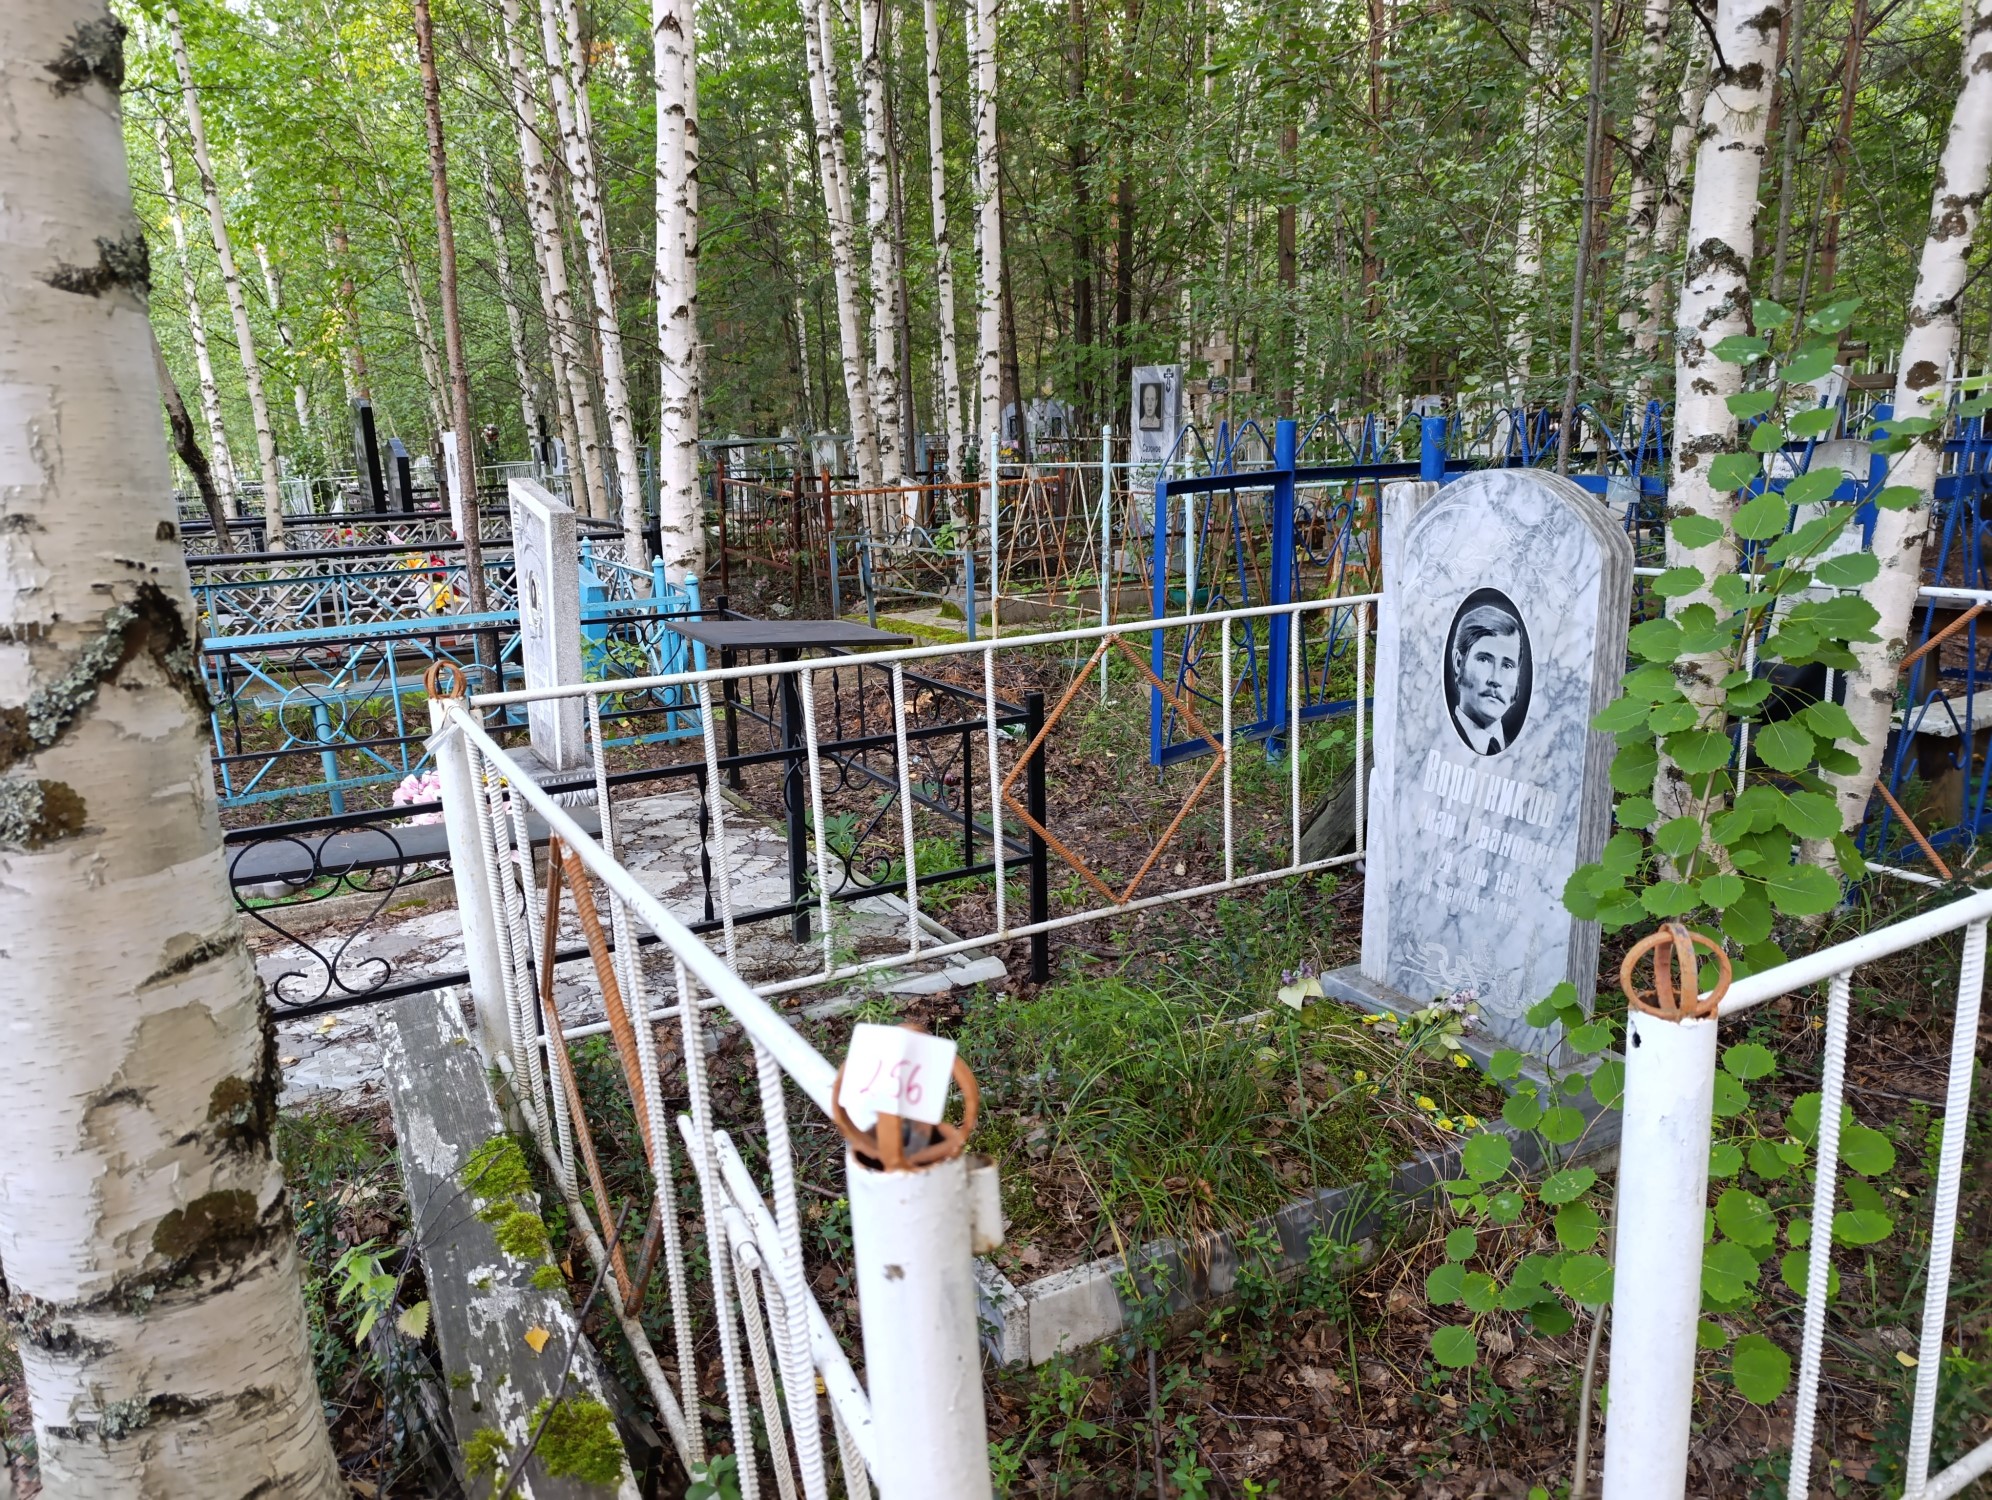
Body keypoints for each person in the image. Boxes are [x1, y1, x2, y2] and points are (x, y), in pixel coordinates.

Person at [1449, 602, 1523, 754]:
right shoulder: (1436, 738)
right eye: (1484, 660)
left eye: (1507, 665)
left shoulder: (1521, 757)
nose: (1495, 679)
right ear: (1458, 663)